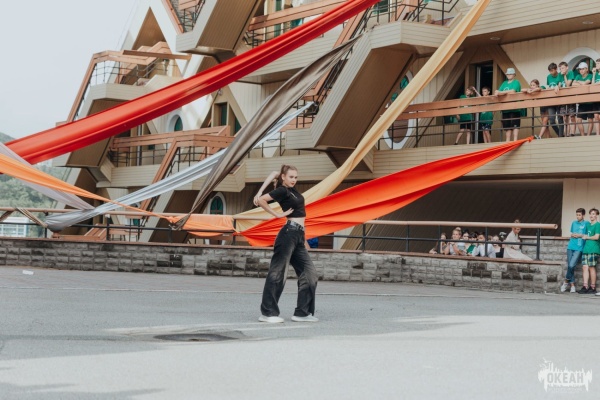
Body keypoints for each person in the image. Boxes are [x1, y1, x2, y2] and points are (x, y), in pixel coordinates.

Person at [253, 164, 319, 323]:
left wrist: (303, 238)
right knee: (277, 273)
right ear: (284, 177)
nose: (294, 180)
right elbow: (261, 200)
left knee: (310, 274)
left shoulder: (292, 190)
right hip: (288, 234)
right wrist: (276, 214)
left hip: (298, 235)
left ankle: (302, 313)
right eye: (291, 177)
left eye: (296, 177)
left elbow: (275, 172)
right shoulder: (282, 190)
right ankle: (268, 313)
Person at [561, 208, 589, 293]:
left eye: (579, 215)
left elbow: (587, 235)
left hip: (579, 247)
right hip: (571, 246)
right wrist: (573, 235)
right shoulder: (574, 223)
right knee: (570, 266)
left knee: (571, 265)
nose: (578, 216)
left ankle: (566, 281)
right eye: (577, 215)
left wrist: (580, 235)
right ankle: (572, 285)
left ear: (583, 215)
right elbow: (572, 233)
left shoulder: (586, 223)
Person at [495, 68, 522, 141]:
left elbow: (513, 91)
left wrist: (501, 92)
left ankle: (515, 140)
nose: (509, 75)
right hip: (505, 108)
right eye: (507, 74)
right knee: (507, 126)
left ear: (514, 75)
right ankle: (508, 141)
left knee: (515, 124)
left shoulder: (516, 82)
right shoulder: (504, 83)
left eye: (510, 74)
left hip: (515, 107)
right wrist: (500, 92)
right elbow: (497, 92)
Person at [578, 208, 600, 294]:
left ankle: (593, 287)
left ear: (597, 215)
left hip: (593, 249)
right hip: (586, 249)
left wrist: (587, 237)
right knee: (584, 267)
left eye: (593, 214)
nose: (591, 215)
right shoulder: (588, 225)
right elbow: (585, 235)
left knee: (591, 267)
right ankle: (585, 286)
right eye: (590, 214)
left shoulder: (598, 225)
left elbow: (596, 237)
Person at [572, 62, 594, 136]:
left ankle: (588, 136)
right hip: (581, 102)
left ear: (587, 69)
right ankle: (582, 135)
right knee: (578, 119)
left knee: (590, 119)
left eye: (582, 69)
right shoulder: (578, 76)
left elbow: (586, 82)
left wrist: (579, 82)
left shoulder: (590, 75)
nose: (581, 70)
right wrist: (582, 83)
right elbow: (573, 84)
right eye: (580, 69)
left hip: (590, 102)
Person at [545, 63, 563, 137]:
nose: (551, 72)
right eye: (550, 71)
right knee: (552, 120)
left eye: (552, 70)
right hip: (551, 100)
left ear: (556, 69)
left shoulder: (560, 75)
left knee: (560, 119)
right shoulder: (548, 77)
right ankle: (560, 134)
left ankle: (561, 136)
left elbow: (560, 84)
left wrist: (557, 86)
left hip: (559, 99)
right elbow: (548, 86)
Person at [558, 61, 576, 136]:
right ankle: (567, 133)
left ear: (567, 67)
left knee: (572, 116)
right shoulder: (560, 75)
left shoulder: (570, 73)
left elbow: (568, 84)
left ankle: (572, 133)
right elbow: (559, 84)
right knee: (565, 117)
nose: (561, 70)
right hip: (563, 98)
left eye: (562, 68)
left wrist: (565, 75)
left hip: (570, 97)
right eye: (560, 69)